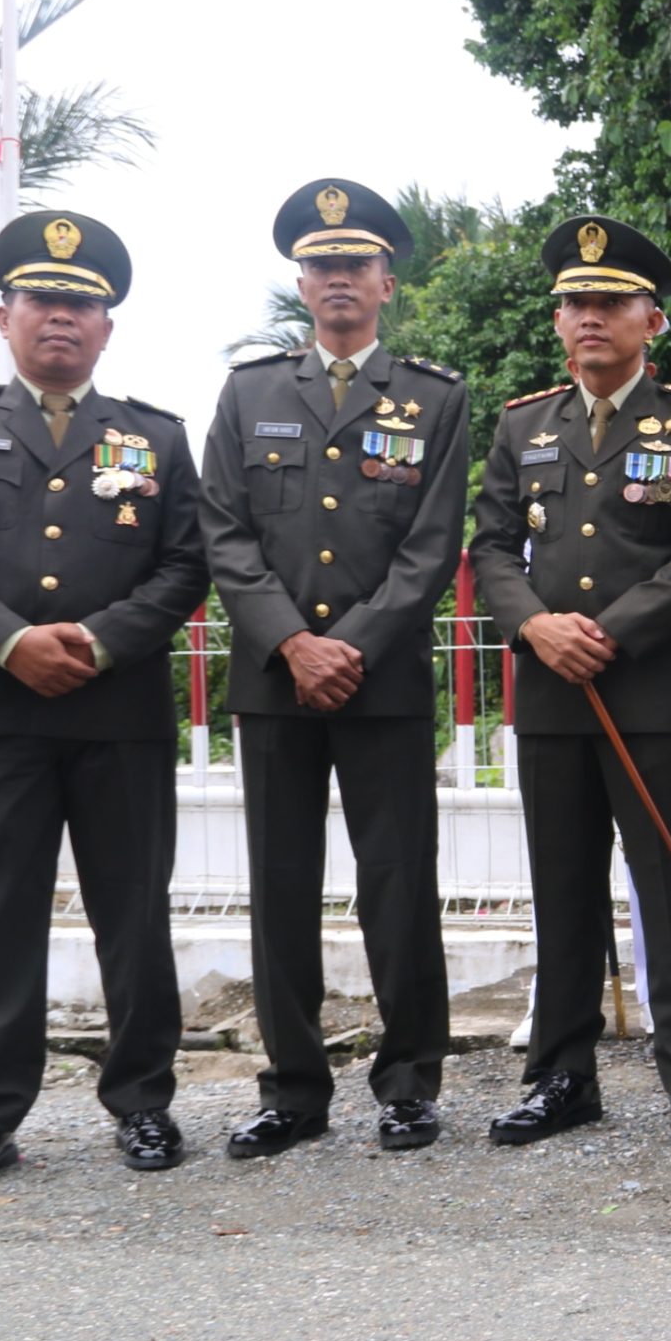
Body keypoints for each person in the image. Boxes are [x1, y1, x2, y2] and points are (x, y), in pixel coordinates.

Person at [199, 179, 468, 1159]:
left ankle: (408, 1082)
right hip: (276, 682)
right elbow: (224, 534)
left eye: (355, 265)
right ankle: (292, 1088)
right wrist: (292, 642)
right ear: (301, 284)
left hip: (381, 679)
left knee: (398, 884)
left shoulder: (436, 398)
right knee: (280, 885)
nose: (338, 281)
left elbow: (432, 545)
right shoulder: (249, 392)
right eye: (321, 266)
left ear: (385, 282)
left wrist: (349, 644)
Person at [0, 212, 209, 1190]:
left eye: (81, 305)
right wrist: (9, 641)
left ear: (108, 328)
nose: (61, 318)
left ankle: (143, 1103)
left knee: (132, 916)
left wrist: (98, 642)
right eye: (43, 301)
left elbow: (187, 563)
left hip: (117, 713)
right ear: (5, 316)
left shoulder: (152, 434)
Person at [469, 217, 671, 1148]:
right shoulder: (521, 425)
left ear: (650, 320)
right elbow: (493, 547)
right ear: (558, 322)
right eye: (575, 303)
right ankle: (562, 1076)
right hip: (549, 691)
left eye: (610, 303)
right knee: (563, 885)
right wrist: (535, 626)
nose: (590, 318)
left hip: (650, 690)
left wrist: (607, 633)